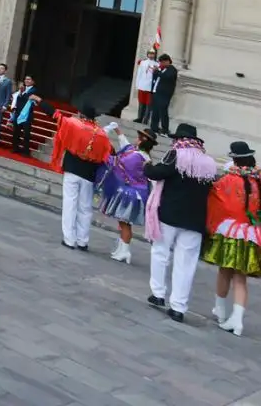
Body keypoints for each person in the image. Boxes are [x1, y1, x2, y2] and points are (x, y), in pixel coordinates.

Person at [203, 140, 261, 336]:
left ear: (235, 160)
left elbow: (218, 202)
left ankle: (220, 310)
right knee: (240, 278)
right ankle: (236, 319)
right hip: (255, 234)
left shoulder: (229, 180)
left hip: (232, 232)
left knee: (224, 270)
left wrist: (212, 226)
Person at [144, 123, 217, 324]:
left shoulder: (176, 154)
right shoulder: (209, 162)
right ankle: (178, 307)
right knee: (186, 264)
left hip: (170, 215)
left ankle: (158, 293)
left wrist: (147, 165)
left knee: (160, 252)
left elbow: (156, 173)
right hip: (195, 220)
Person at [52, 106, 112, 251]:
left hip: (73, 169)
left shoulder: (75, 126)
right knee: (85, 207)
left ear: (81, 114)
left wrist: (40, 101)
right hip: (89, 174)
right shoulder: (102, 134)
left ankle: (69, 239)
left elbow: (57, 117)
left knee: (70, 204)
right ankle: (83, 241)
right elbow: (107, 153)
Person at [97, 126, 157, 265]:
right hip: (133, 191)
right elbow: (126, 146)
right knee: (123, 222)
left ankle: (125, 251)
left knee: (125, 224)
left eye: (139, 138)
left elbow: (118, 162)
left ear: (142, 141)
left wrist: (105, 150)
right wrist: (118, 131)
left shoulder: (137, 156)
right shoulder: (141, 154)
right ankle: (121, 249)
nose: (136, 139)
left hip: (132, 193)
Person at [8, 76, 42, 155]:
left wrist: (22, 92)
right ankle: (15, 148)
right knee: (16, 132)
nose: (27, 80)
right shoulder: (22, 89)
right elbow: (18, 99)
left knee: (26, 134)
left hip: (27, 115)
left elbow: (27, 97)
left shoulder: (34, 90)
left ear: (33, 82)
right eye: (26, 79)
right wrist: (19, 93)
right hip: (18, 113)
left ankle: (25, 151)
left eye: (29, 79)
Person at [148, 54, 178, 135]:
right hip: (156, 93)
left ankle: (165, 129)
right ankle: (154, 127)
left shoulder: (172, 70)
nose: (160, 64)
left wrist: (157, 72)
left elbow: (167, 77)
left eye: (162, 62)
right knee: (155, 111)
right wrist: (155, 72)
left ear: (167, 61)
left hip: (164, 95)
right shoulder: (162, 69)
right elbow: (157, 77)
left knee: (163, 112)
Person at [133, 48, 161, 124]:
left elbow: (158, 77)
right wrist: (137, 85)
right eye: (150, 53)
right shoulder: (143, 63)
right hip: (142, 85)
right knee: (141, 103)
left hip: (150, 87)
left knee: (149, 104)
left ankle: (145, 119)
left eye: (153, 54)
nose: (151, 55)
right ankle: (139, 117)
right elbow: (139, 74)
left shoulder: (157, 65)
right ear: (147, 54)